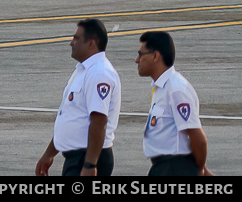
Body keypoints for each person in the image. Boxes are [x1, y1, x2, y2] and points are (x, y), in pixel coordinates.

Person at [36, 18, 122, 177]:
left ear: (91, 43)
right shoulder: (83, 71)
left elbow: (99, 121)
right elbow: (72, 118)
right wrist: (49, 153)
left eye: (76, 38)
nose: (71, 42)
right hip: (77, 158)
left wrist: (90, 165)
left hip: (88, 158)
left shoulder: (99, 73)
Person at [136, 30, 212, 177]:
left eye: (140, 54)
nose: (136, 60)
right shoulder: (162, 87)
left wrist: (200, 170)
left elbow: (198, 138)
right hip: (164, 167)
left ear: (155, 56)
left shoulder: (176, 89)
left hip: (174, 169)